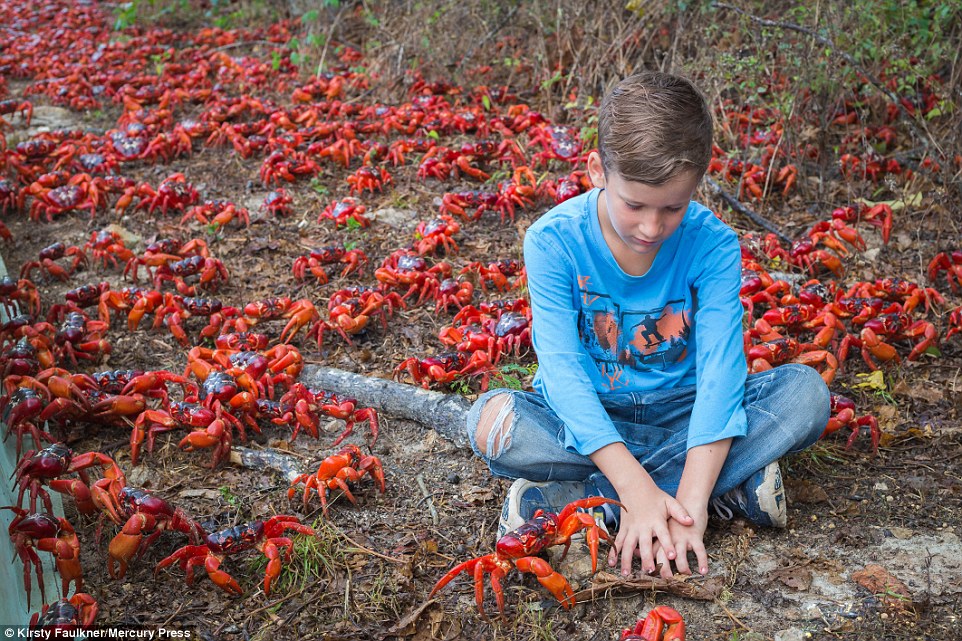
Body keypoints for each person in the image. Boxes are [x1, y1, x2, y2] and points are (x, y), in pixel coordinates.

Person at [465, 71, 830, 581]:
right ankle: (711, 489)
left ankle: (594, 503)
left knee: (806, 394)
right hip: (586, 419)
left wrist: (693, 504)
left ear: (697, 185)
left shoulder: (713, 244)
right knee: (492, 420)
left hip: (686, 413)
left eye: (673, 207)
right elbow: (564, 374)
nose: (651, 228)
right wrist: (638, 486)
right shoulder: (552, 242)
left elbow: (723, 375)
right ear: (597, 170)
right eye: (634, 204)